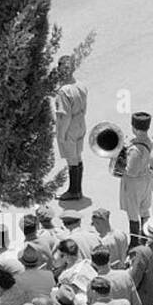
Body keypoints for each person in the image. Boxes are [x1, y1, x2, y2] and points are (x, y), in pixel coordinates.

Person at [54, 55, 89, 201]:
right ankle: (77, 189)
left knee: (71, 159)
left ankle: (73, 191)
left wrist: (61, 134)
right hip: (80, 123)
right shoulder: (81, 85)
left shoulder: (64, 91)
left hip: (70, 127)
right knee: (78, 155)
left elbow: (65, 116)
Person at [118, 110, 153, 243]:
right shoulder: (149, 141)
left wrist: (120, 165)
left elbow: (130, 171)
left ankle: (134, 242)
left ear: (134, 127)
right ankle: (146, 238)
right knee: (145, 210)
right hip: (146, 179)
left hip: (134, 184)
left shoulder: (134, 149)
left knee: (133, 214)